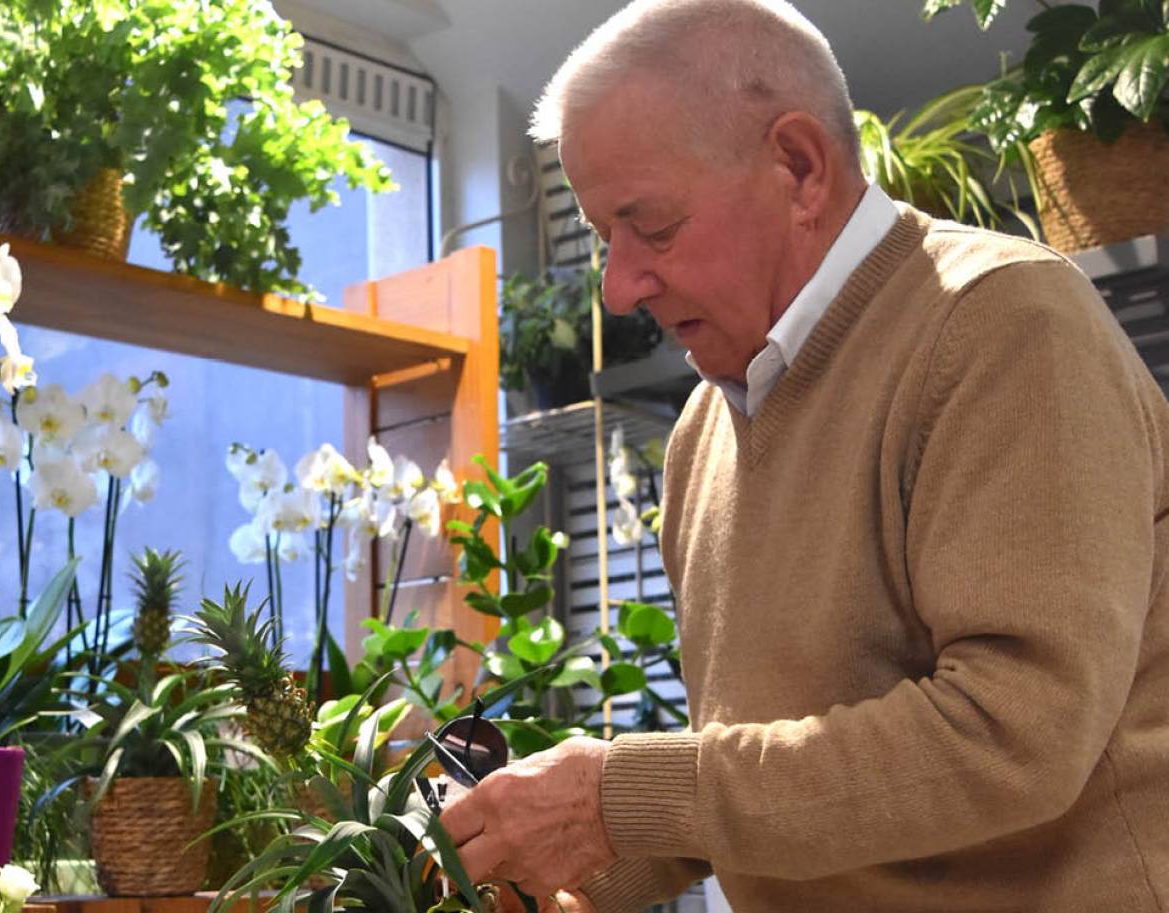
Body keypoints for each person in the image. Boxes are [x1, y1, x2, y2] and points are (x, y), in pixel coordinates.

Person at [438, 1, 1169, 911]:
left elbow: (1015, 737)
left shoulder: (1005, 325)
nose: (620, 285)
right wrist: (554, 871)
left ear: (800, 166)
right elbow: (775, 785)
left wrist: (614, 798)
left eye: (653, 226)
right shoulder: (702, 434)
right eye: (602, 236)